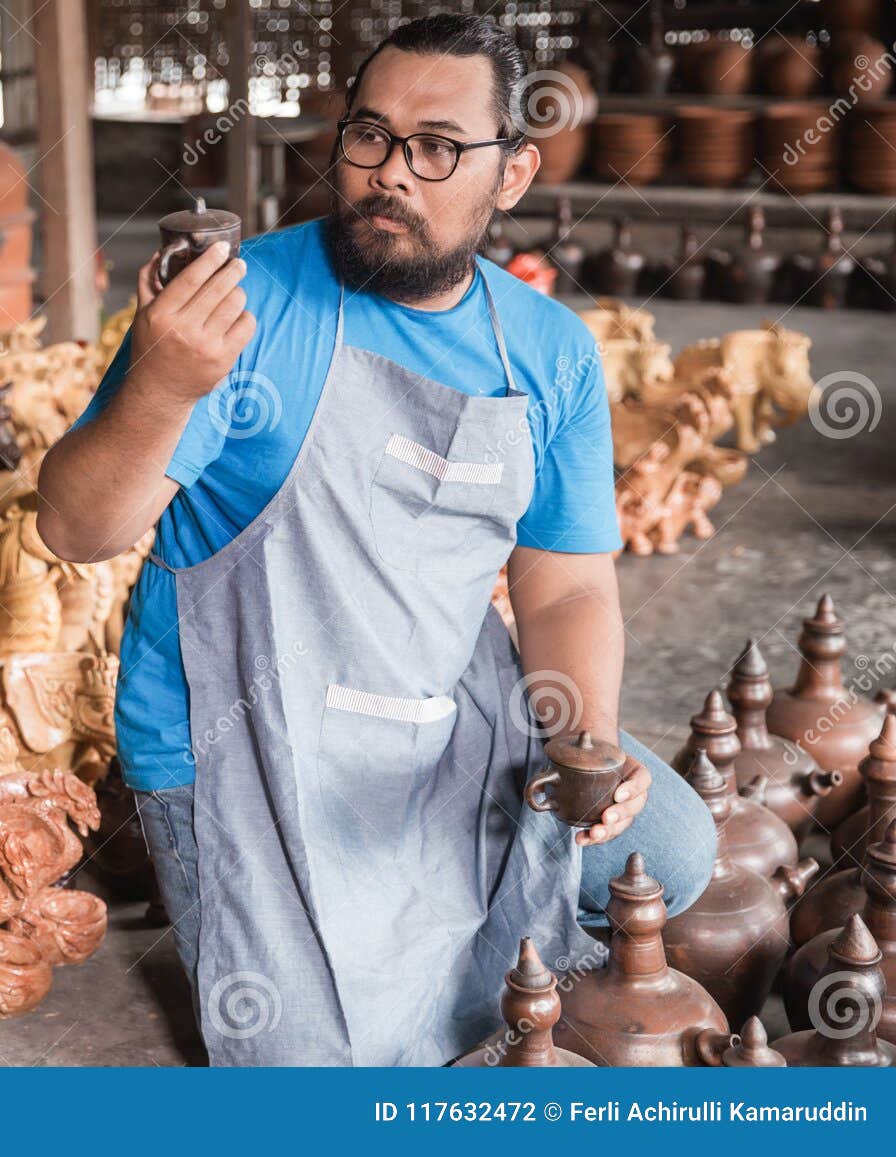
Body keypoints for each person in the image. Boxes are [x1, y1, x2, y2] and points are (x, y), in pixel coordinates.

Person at [36, 14, 716, 1066]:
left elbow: (566, 582)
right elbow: (74, 527)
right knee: (313, 1061)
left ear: (513, 171)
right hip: (245, 741)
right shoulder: (236, 306)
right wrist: (163, 384)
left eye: (437, 146)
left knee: (668, 850)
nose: (389, 173)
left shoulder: (545, 350)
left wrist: (588, 736)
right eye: (369, 135)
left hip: (445, 709)